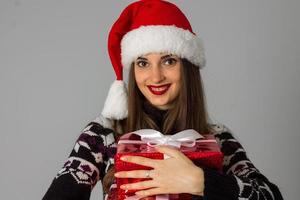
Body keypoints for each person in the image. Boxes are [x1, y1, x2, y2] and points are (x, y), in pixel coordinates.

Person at [43, 0, 284, 199]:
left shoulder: (217, 138)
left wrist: (200, 180)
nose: (155, 76)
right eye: (143, 63)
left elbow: (270, 196)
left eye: (168, 60)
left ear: (187, 66)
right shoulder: (104, 133)